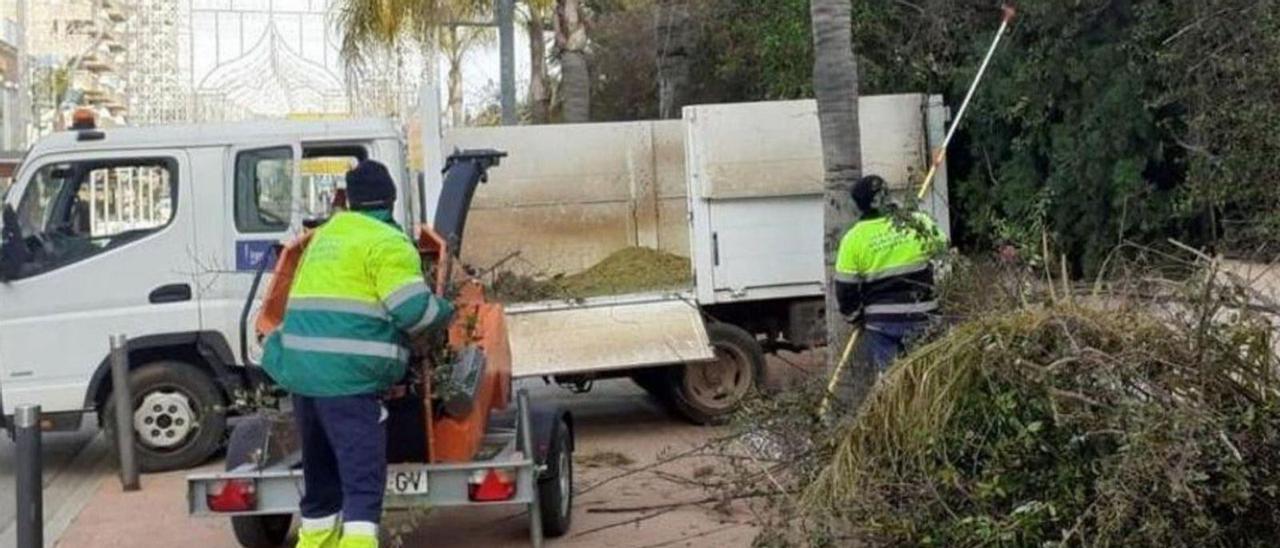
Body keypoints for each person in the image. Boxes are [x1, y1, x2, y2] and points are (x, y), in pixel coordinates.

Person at [261, 160, 454, 548]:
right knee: (362, 486)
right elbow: (412, 311)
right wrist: (446, 310)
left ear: (348, 201)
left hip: (302, 375)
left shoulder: (324, 236)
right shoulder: (386, 242)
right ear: (392, 200)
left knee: (321, 485)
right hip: (348, 380)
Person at [834, 175, 946, 372]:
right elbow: (944, 251)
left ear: (859, 205)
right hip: (923, 314)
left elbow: (845, 290)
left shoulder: (853, 240)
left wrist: (855, 317)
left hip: (882, 322)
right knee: (928, 376)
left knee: (892, 384)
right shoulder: (918, 223)